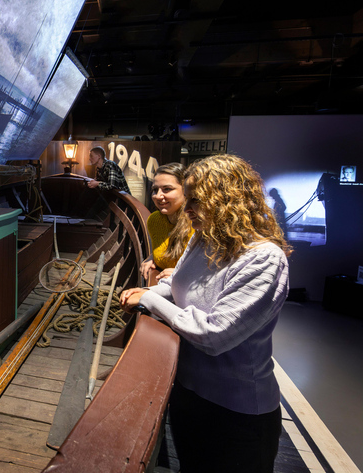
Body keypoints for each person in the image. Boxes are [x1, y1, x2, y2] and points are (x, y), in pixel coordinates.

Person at [120, 154, 291, 473]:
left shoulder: (265, 259)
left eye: (197, 200)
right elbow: (177, 285)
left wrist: (151, 301)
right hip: (188, 395)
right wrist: (146, 295)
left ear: (228, 200)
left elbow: (214, 336)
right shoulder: (202, 240)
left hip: (238, 415)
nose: (186, 210)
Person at [140, 163, 194, 282]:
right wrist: (152, 257)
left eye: (167, 189)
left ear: (186, 190)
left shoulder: (196, 223)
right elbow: (163, 249)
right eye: (155, 190)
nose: (158, 196)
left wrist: (180, 273)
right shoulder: (154, 220)